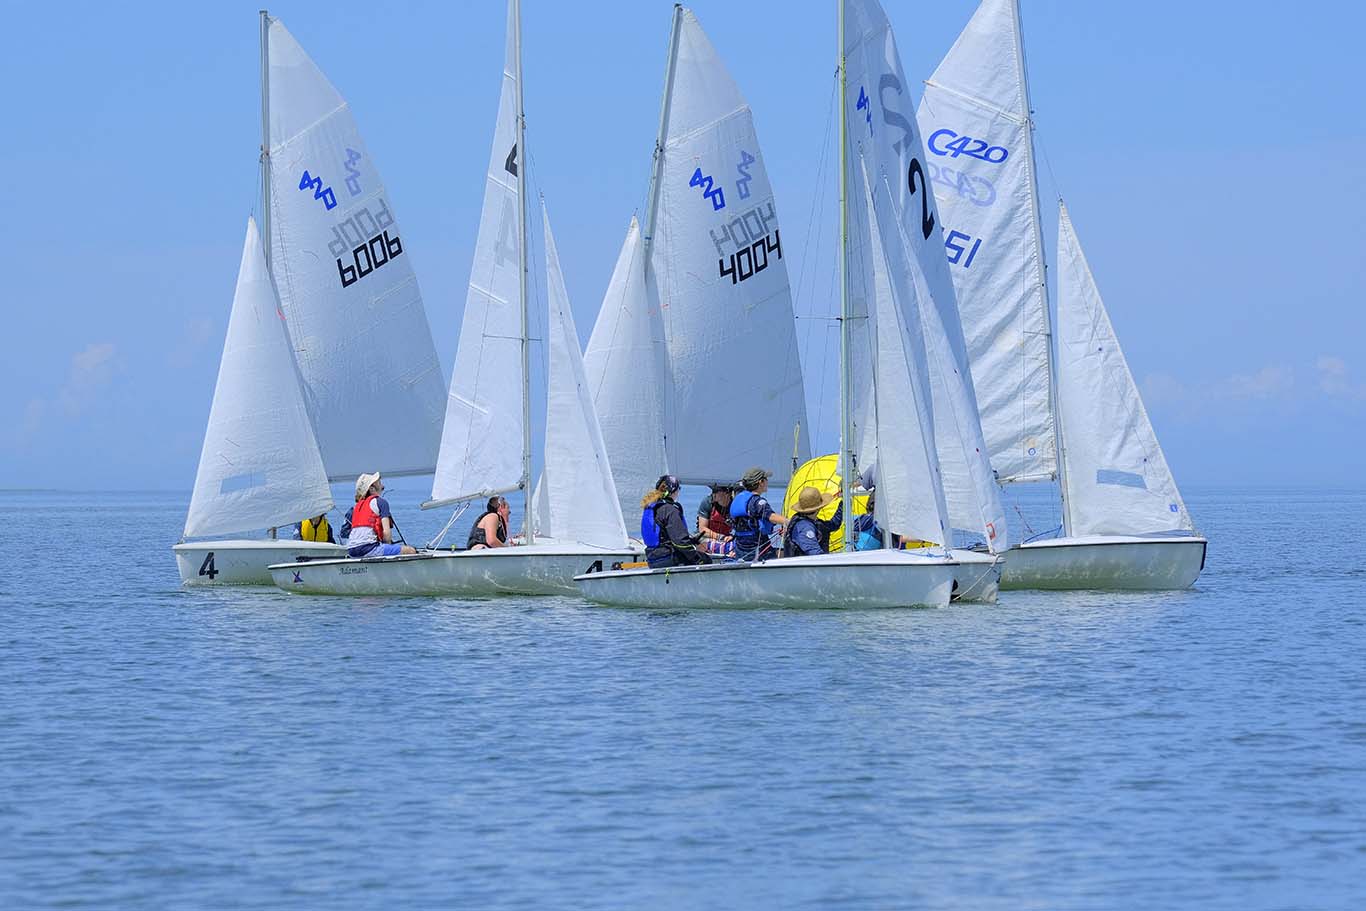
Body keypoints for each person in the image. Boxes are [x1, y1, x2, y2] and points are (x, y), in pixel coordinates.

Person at [642, 475, 710, 569]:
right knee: (706, 559)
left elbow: (663, 536)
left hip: (653, 558)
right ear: (673, 490)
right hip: (668, 558)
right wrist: (697, 559)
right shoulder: (670, 510)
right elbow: (680, 543)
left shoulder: (652, 508)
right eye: (679, 488)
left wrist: (690, 541)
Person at [346, 472, 417, 557]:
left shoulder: (356, 507)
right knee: (410, 550)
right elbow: (387, 534)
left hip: (351, 549)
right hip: (368, 548)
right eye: (379, 483)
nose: (382, 486)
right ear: (371, 489)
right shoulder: (381, 502)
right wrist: (388, 546)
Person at [730, 467, 787, 562]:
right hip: (758, 549)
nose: (767, 482)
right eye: (766, 479)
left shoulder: (738, 499)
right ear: (761, 482)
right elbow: (771, 516)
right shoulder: (758, 501)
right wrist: (790, 522)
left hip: (741, 548)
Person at [782, 486, 844, 557]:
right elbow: (814, 553)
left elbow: (834, 524)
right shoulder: (804, 527)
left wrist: (843, 504)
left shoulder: (815, 522)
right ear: (818, 508)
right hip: (805, 566)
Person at [696, 483, 736, 558]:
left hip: (725, 538)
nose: (713, 493)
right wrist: (721, 537)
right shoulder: (707, 502)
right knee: (702, 545)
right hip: (704, 537)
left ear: (727, 493)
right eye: (712, 490)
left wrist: (732, 537)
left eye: (716, 491)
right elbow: (702, 529)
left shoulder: (734, 505)